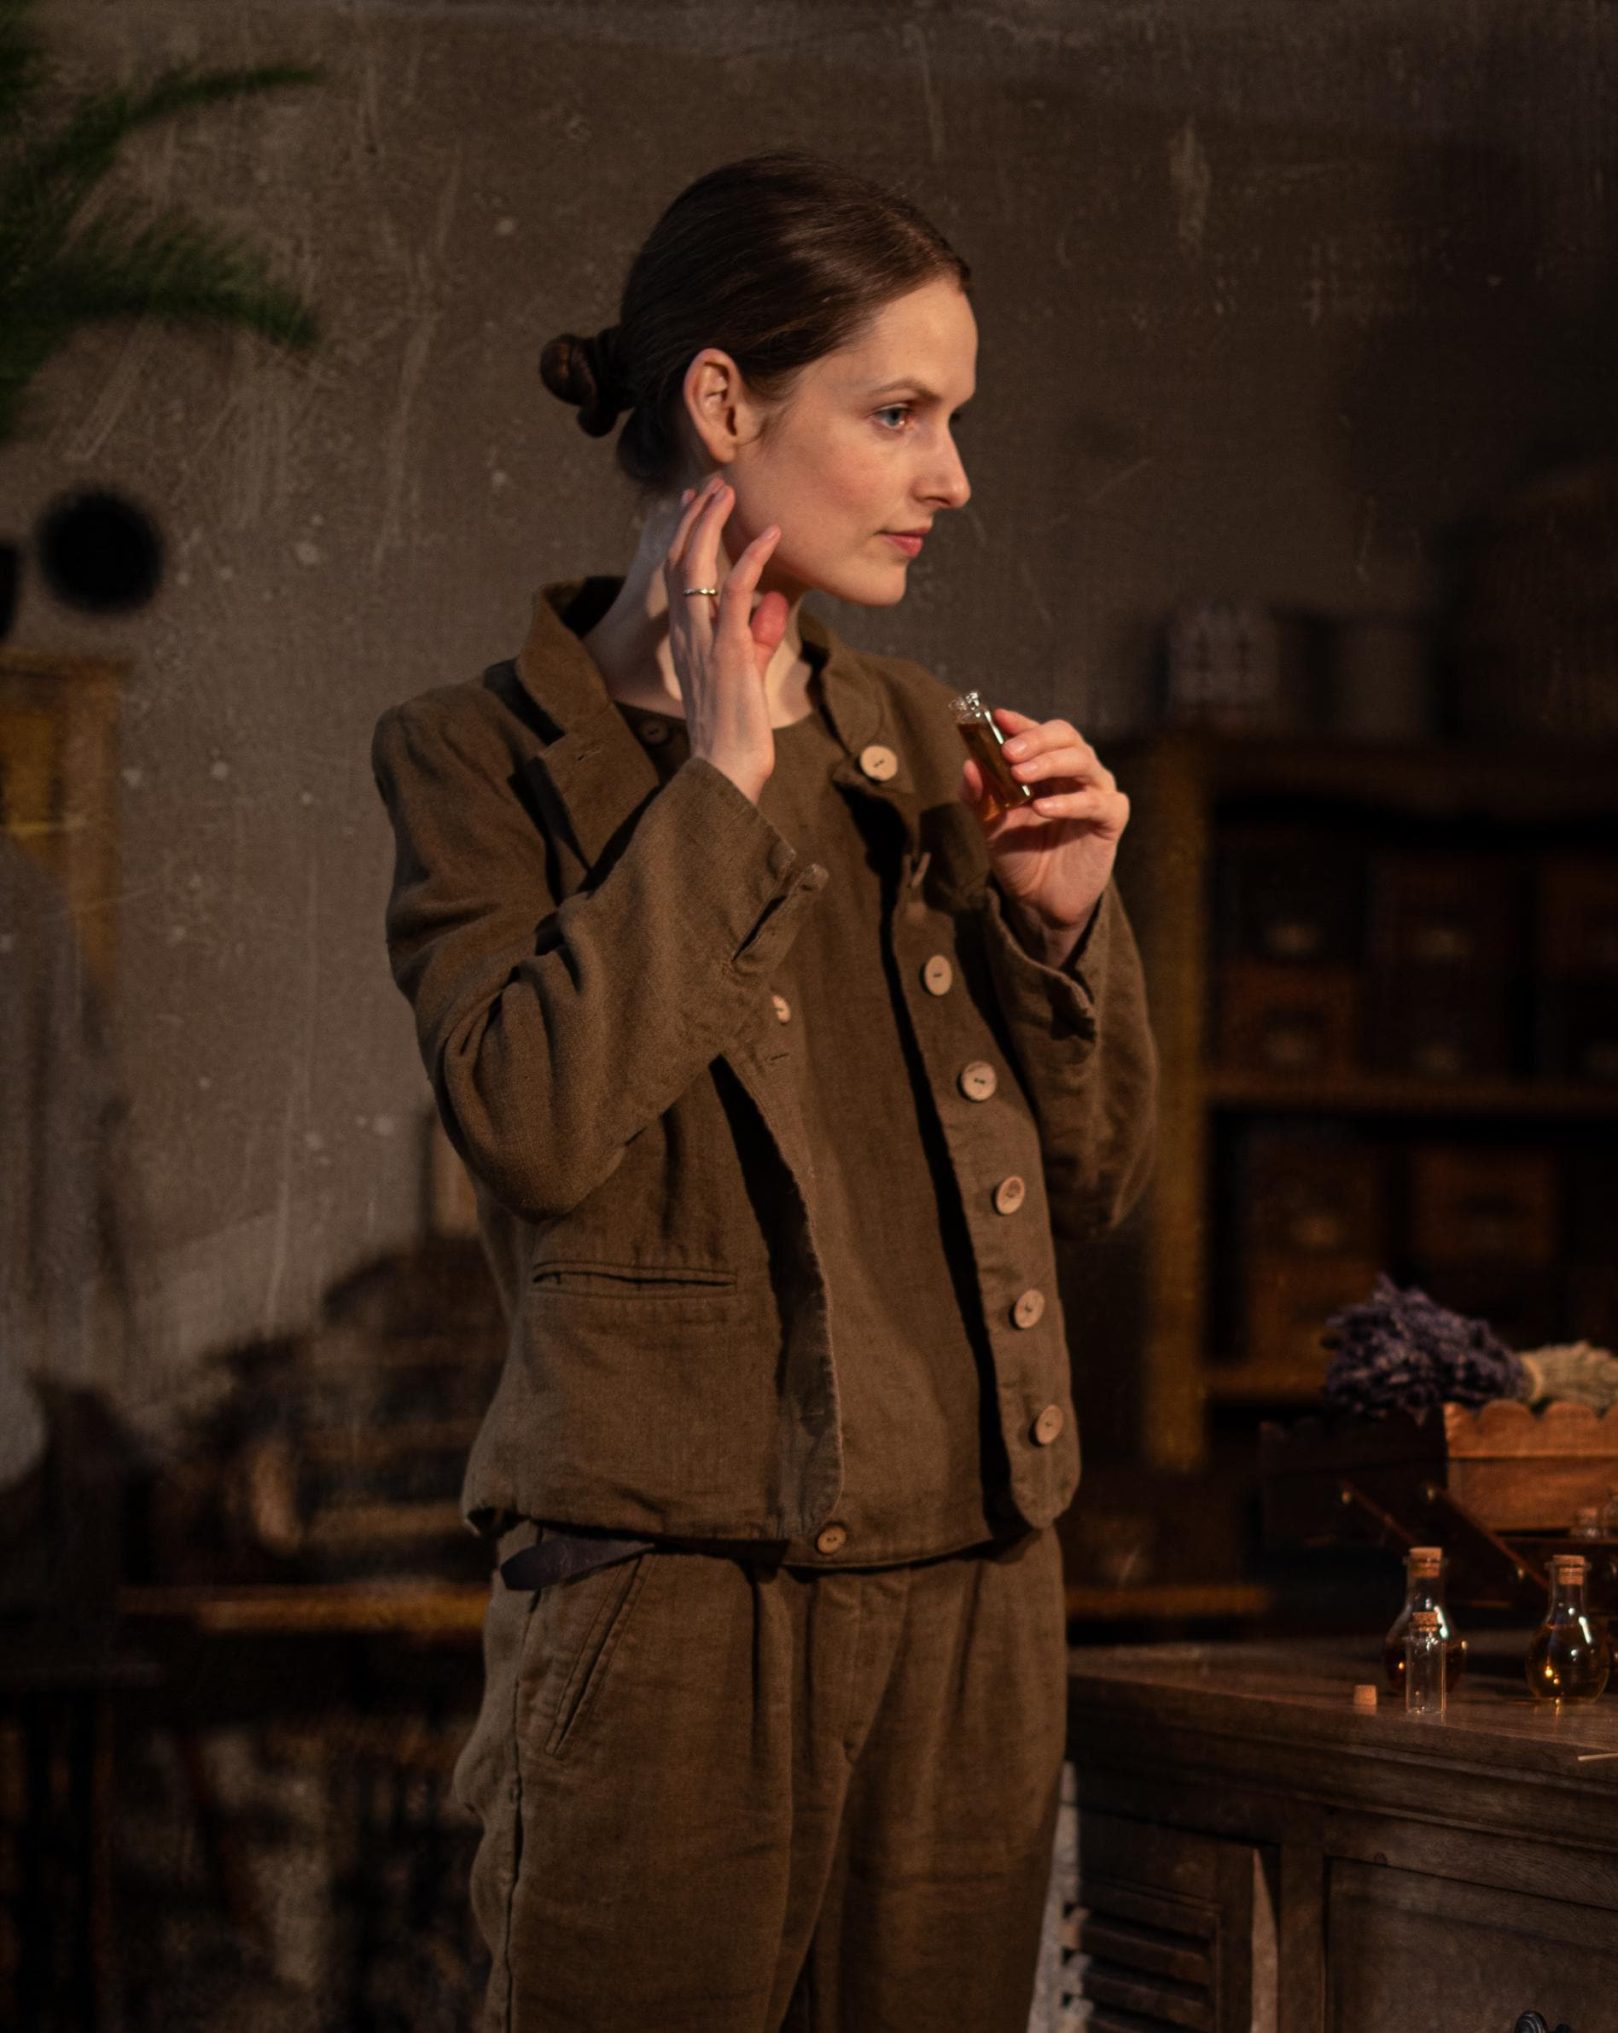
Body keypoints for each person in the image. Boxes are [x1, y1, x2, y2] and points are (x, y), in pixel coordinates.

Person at [368, 151, 1157, 2031]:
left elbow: (1101, 1179)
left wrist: (1066, 925)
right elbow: (537, 1118)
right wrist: (717, 793)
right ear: (725, 403)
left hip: (974, 1597)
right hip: (670, 1619)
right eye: (899, 414)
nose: (951, 475)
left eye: (952, 419)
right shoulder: (482, 758)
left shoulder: (920, 739)